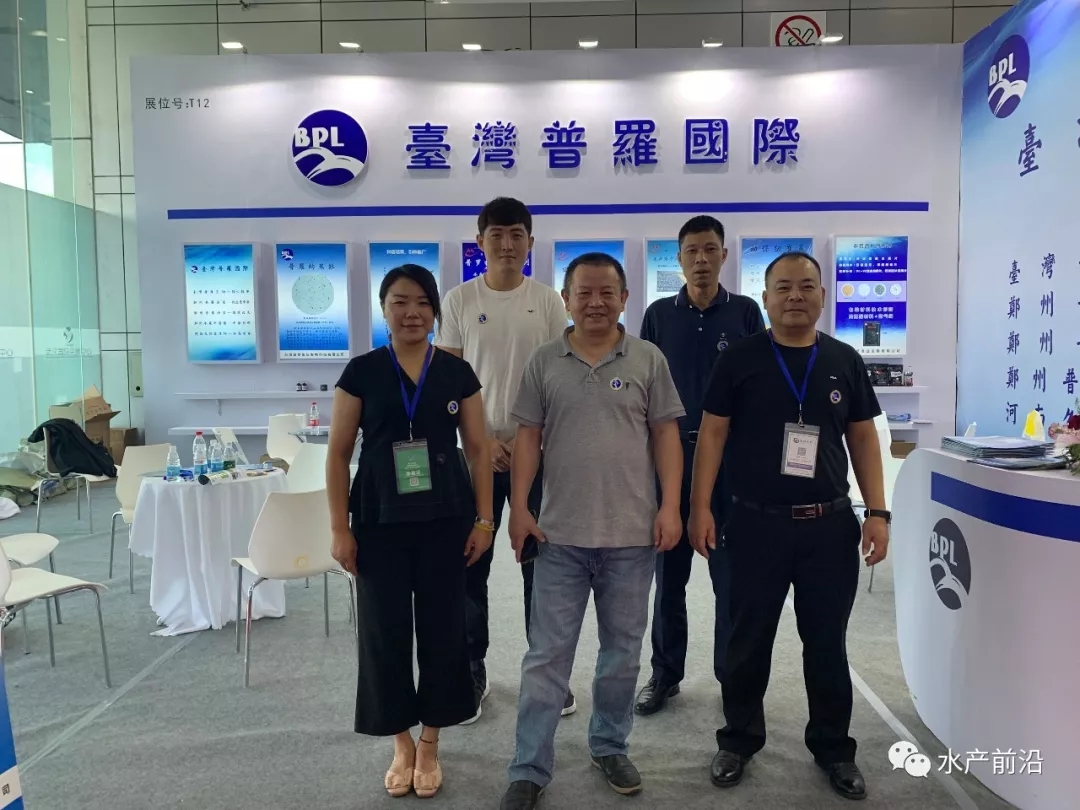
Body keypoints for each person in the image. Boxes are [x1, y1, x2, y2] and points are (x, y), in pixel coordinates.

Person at [688, 252, 890, 801]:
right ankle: (738, 740)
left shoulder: (844, 360)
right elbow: (712, 434)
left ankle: (834, 748)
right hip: (754, 525)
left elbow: (863, 438)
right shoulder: (740, 360)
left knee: (826, 643)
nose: (795, 296)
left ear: (823, 295)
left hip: (828, 527)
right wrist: (700, 507)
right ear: (766, 298)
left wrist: (877, 512)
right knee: (747, 641)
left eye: (806, 286)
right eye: (783, 287)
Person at [500, 253, 686, 810]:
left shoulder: (648, 358)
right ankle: (528, 767)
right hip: (558, 537)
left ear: (625, 298)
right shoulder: (544, 361)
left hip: (631, 538)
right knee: (546, 658)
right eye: (584, 292)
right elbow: (527, 438)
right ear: (566, 298)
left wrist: (670, 506)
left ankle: (609, 744)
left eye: (608, 292)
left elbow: (667, 436)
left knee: (622, 655)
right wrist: (519, 508)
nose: (596, 302)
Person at [327, 263, 496, 799]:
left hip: (446, 521)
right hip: (378, 523)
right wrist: (339, 528)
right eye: (400, 302)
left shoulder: (456, 373)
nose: (412, 312)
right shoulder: (361, 372)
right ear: (384, 309)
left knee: (446, 631)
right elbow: (337, 455)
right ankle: (400, 741)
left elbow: (480, 450)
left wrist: (485, 520)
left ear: (435, 311)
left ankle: (430, 742)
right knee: (385, 632)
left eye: (422, 302)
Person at [436, 197, 573, 723]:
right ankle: (473, 666)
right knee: (471, 562)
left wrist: (528, 440)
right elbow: (447, 382)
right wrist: (483, 442)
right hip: (476, 456)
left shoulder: (548, 302)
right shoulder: (459, 300)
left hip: (538, 455)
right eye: (497, 235)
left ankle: (547, 672)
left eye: (517, 235)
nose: (507, 244)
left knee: (542, 565)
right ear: (480, 242)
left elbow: (560, 376)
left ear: (530, 243)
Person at [636, 215, 765, 717]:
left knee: (730, 580)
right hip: (670, 461)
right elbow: (643, 389)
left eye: (710, 249)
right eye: (692, 251)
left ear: (724, 255)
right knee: (668, 577)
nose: (701, 260)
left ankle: (731, 676)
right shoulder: (658, 316)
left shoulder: (746, 313)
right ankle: (665, 674)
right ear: (679, 258)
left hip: (730, 465)